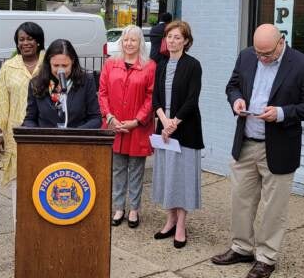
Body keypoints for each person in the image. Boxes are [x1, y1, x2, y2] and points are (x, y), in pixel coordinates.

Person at [212, 24, 304, 278]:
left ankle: (266, 258)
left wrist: (282, 113)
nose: (262, 58)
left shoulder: (302, 65)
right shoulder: (246, 55)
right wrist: (236, 100)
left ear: (281, 42)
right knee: (240, 201)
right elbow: (233, 85)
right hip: (246, 142)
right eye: (259, 53)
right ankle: (241, 248)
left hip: (280, 146)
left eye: (267, 54)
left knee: (274, 208)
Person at [151, 20, 203, 249]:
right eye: (169, 37)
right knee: (166, 176)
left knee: (181, 178)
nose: (172, 41)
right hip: (164, 128)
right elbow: (155, 97)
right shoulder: (160, 64)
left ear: (186, 41)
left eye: (177, 37)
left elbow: (192, 99)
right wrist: (163, 121)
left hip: (186, 129)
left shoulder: (193, 65)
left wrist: (174, 124)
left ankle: (181, 224)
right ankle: (170, 219)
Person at [98, 25, 156, 228]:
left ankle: (134, 209)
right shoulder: (111, 64)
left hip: (137, 128)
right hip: (114, 125)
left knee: (136, 170)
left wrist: (137, 120)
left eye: (133, 40)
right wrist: (110, 117)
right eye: (126, 40)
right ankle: (119, 207)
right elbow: (102, 92)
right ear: (121, 42)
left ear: (140, 42)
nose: (129, 43)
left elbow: (151, 98)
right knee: (117, 169)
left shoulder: (150, 67)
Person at [0, 22, 45, 216]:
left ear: (38, 41)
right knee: (20, 185)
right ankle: (20, 228)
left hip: (45, 131)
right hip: (16, 135)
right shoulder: (9, 67)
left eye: (30, 39)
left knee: (45, 180)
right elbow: (1, 100)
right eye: (21, 39)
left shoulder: (50, 63)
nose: (25, 43)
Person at [23, 39, 101, 129]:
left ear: (73, 61)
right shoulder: (36, 83)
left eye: (64, 65)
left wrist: (76, 134)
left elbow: (95, 119)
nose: (60, 70)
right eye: (55, 65)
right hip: (45, 141)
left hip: (77, 141)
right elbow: (30, 119)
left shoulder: (87, 81)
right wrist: (39, 135)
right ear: (49, 63)